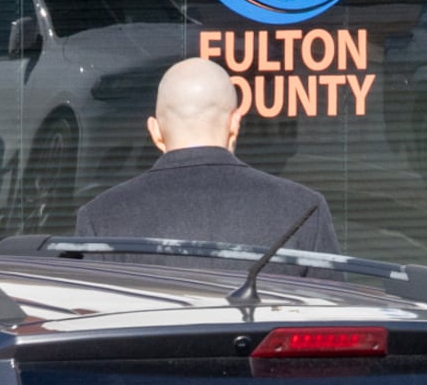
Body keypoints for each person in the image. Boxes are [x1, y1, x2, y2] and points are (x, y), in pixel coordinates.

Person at [72, 56, 336, 251]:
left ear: (155, 131)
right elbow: (331, 313)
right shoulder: (304, 210)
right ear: (235, 123)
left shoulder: (100, 218)